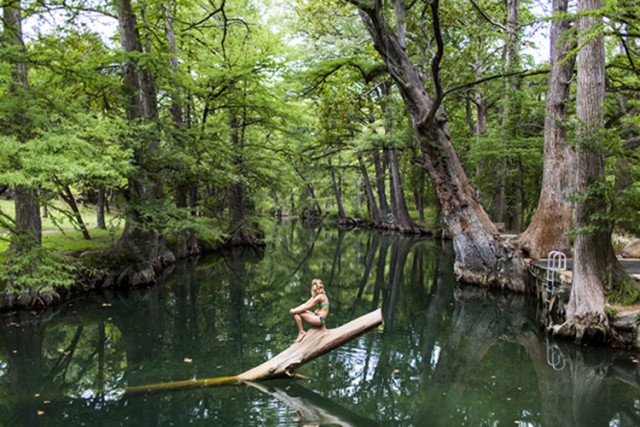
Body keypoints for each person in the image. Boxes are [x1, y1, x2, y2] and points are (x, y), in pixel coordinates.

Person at [289, 278, 329, 343]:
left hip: (320, 320)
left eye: (317, 290)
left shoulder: (321, 296)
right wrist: (295, 309)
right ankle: (301, 332)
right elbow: (305, 304)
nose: (316, 292)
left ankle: (301, 332)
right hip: (316, 317)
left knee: (297, 313)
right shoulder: (316, 295)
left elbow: (307, 307)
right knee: (297, 313)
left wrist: (294, 311)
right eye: (315, 291)